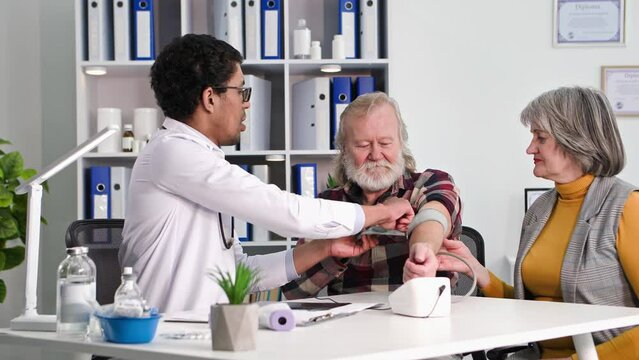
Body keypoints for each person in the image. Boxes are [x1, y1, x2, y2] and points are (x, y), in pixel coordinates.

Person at [118, 34, 415, 313]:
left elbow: (238, 275)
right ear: (210, 98)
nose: (247, 102)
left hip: (206, 336)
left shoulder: (197, 160)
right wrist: (380, 213)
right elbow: (285, 211)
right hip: (167, 341)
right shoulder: (173, 153)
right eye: (240, 90)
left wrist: (324, 248)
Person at [438, 86, 639, 359]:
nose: (530, 148)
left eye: (540, 137)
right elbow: (533, 309)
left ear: (575, 140)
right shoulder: (541, 208)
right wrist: (477, 270)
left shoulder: (627, 207)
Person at [282, 92, 462, 299]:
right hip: (349, 324)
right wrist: (346, 238)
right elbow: (294, 291)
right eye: (363, 145)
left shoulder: (431, 183)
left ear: (401, 144)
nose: (376, 155)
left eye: (385, 143)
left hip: (422, 317)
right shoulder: (329, 203)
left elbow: (433, 216)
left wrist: (423, 249)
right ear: (344, 150)